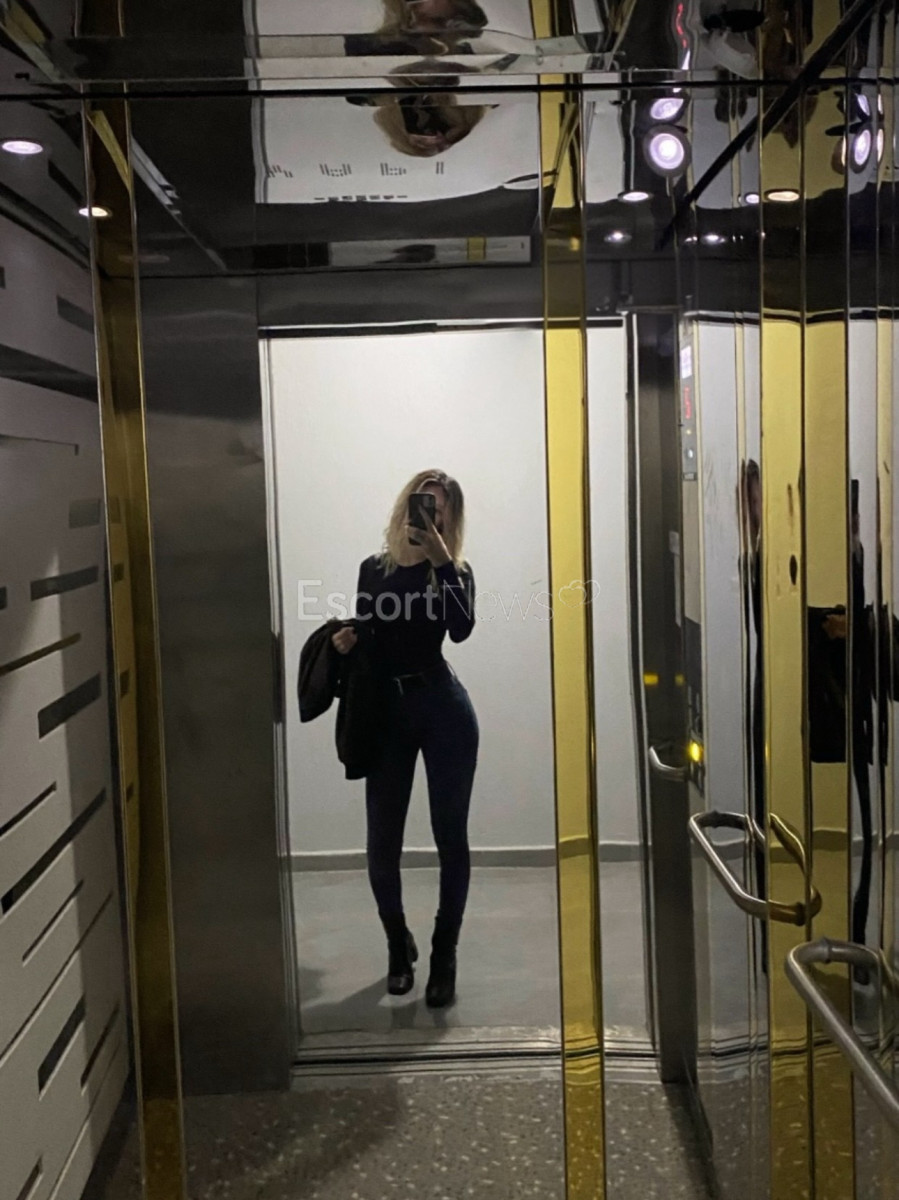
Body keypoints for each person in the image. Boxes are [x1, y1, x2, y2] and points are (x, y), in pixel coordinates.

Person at [331, 470, 479, 1007]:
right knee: (382, 841)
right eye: (422, 506)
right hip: (387, 713)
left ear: (448, 519)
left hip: (443, 709)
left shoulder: (455, 572)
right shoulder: (374, 570)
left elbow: (461, 629)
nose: (428, 517)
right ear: (405, 508)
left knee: (450, 837)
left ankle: (444, 953)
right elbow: (372, 633)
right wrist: (348, 640)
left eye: (439, 510)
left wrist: (441, 561)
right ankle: (398, 943)